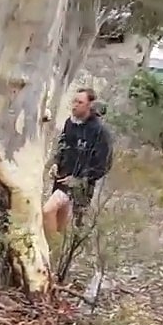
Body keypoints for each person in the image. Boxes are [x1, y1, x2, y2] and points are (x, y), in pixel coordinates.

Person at [43, 88, 113, 236]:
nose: (74, 105)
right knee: (61, 226)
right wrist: (56, 163)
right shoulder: (70, 123)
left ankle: (51, 246)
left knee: (48, 210)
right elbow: (62, 145)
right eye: (74, 101)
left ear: (90, 106)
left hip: (80, 187)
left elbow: (103, 165)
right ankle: (56, 252)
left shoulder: (100, 132)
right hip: (61, 180)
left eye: (80, 102)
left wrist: (80, 179)